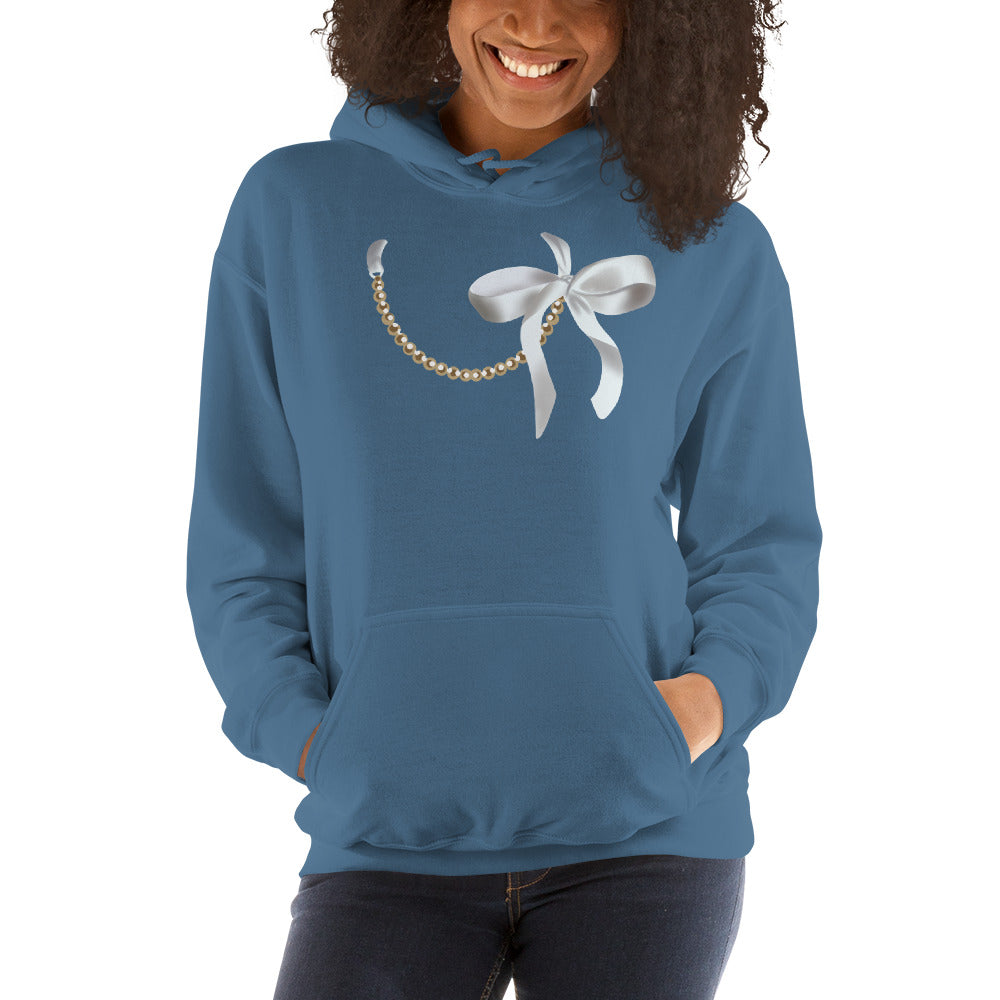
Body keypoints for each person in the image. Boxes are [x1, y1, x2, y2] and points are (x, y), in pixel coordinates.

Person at [185, 1, 821, 996]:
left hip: (650, 841)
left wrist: (699, 711)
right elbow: (245, 538)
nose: (536, 21)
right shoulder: (294, 210)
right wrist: (315, 739)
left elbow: (758, 544)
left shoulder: (708, 241)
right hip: (383, 836)